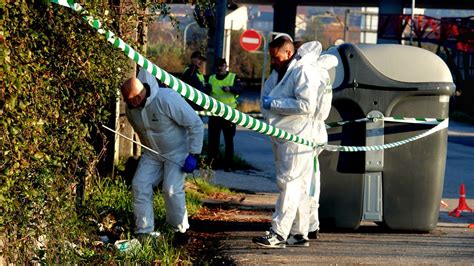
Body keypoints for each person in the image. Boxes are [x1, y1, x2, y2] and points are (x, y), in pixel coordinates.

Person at [252, 36, 336, 248]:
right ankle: (299, 233)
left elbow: (306, 105)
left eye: (276, 56)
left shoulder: (302, 71)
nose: (273, 61)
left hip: (297, 137)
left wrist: (274, 103)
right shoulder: (283, 72)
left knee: (289, 183)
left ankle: (279, 232)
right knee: (296, 185)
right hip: (284, 135)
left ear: (289, 53)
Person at [121, 68, 204, 245]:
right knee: (140, 185)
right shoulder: (131, 110)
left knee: (171, 189)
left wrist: (194, 153)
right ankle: (144, 232)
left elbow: (195, 123)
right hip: (152, 154)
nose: (126, 105)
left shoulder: (167, 99)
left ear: (138, 97)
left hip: (177, 152)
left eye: (129, 101)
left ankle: (180, 231)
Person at [207, 58, 242, 171]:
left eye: (222, 66)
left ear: (226, 66)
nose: (220, 68)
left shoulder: (233, 77)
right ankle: (212, 165)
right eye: (218, 66)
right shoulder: (211, 78)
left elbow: (240, 89)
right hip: (215, 115)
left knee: (229, 141)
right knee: (213, 141)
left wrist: (230, 89)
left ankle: (228, 165)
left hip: (229, 115)